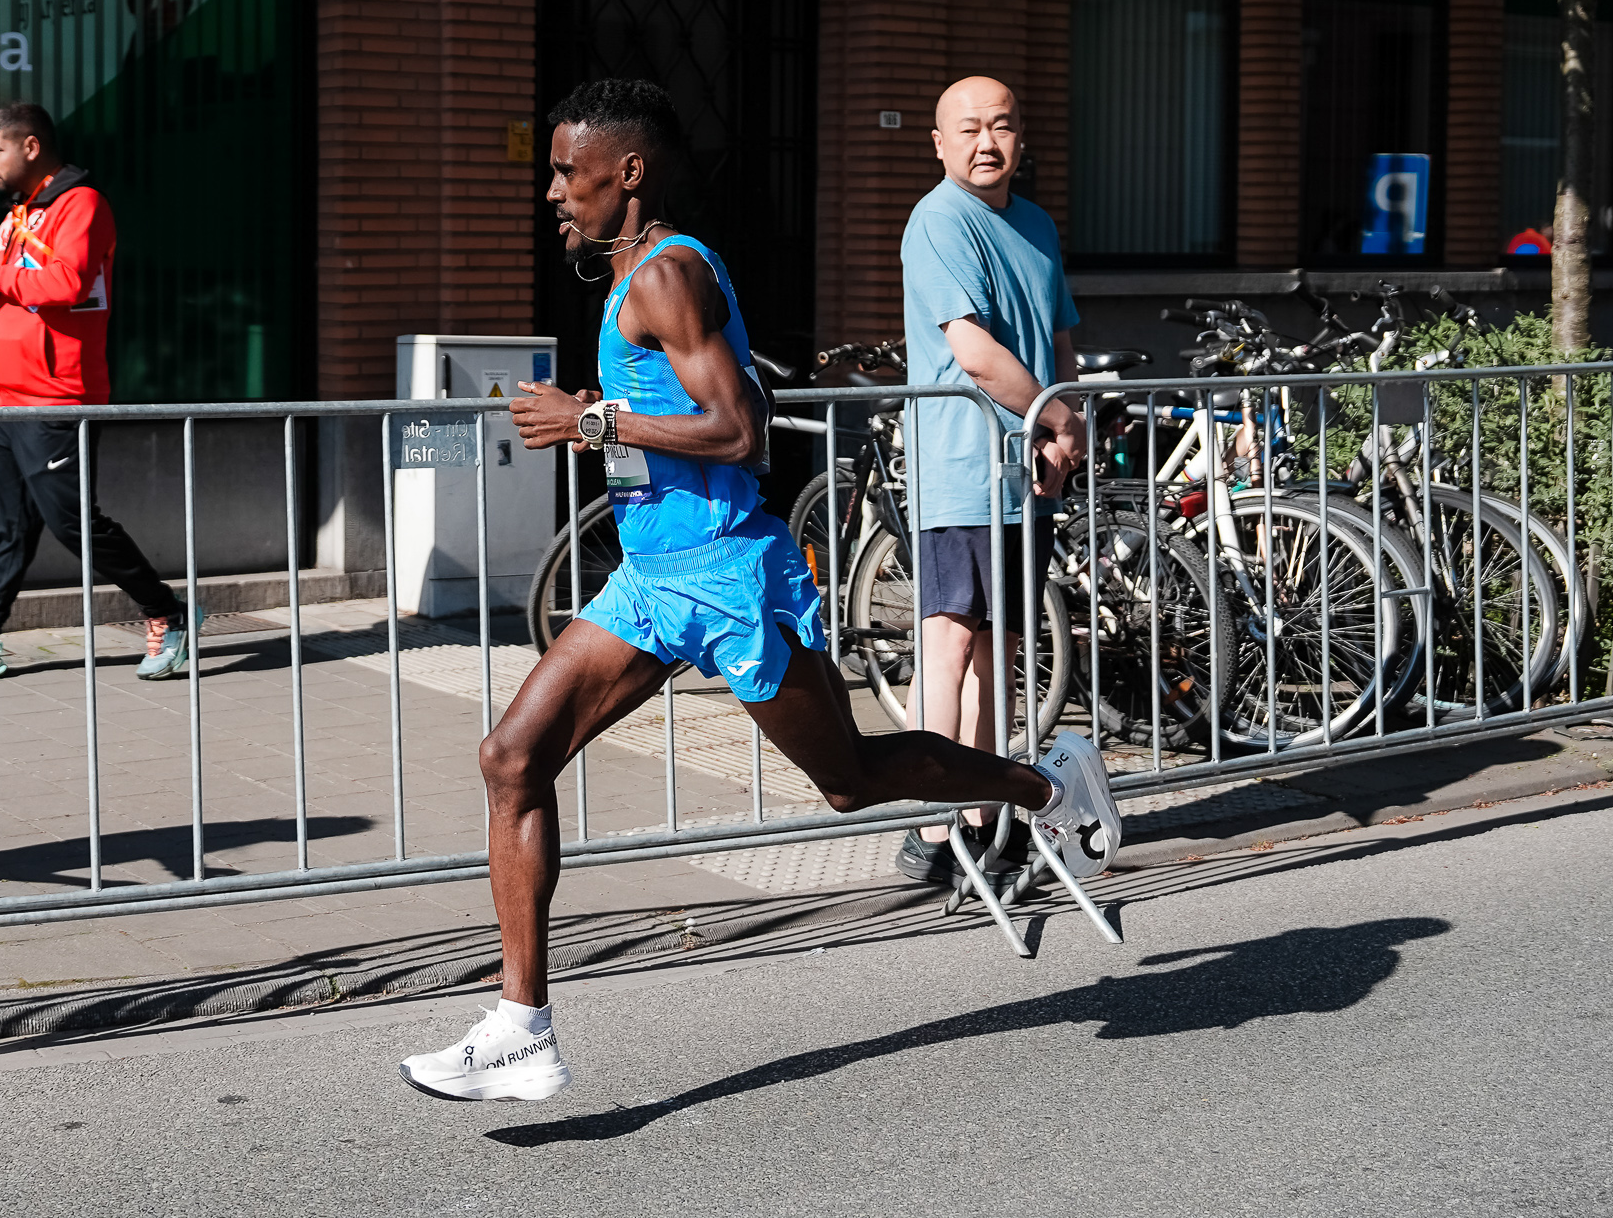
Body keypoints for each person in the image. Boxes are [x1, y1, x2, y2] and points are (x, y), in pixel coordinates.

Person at [394, 79, 1121, 1104]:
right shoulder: (636, 272)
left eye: (566, 171)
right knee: (511, 757)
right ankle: (522, 1028)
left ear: (627, 172)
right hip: (653, 581)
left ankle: (1046, 788)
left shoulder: (668, 274)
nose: (552, 191)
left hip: (728, 575)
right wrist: (610, 413)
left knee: (851, 779)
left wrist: (593, 422)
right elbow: (705, 399)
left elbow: (741, 430)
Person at [0, 102, 198, 681]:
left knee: (74, 524)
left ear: (31, 147)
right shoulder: (17, 214)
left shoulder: (81, 203)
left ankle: (168, 612)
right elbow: (13, 294)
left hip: (57, 396)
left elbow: (67, 283)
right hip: (5, 398)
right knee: (3, 526)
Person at [890, 77, 1085, 891]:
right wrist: (1059, 418)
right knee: (947, 642)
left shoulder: (1036, 224)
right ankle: (931, 827)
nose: (986, 142)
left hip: (1027, 471)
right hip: (964, 465)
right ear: (939, 143)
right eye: (968, 128)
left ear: (1021, 137)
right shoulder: (938, 219)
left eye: (1001, 126)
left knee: (1001, 652)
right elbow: (972, 351)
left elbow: (1061, 338)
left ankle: (985, 816)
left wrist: (1063, 425)